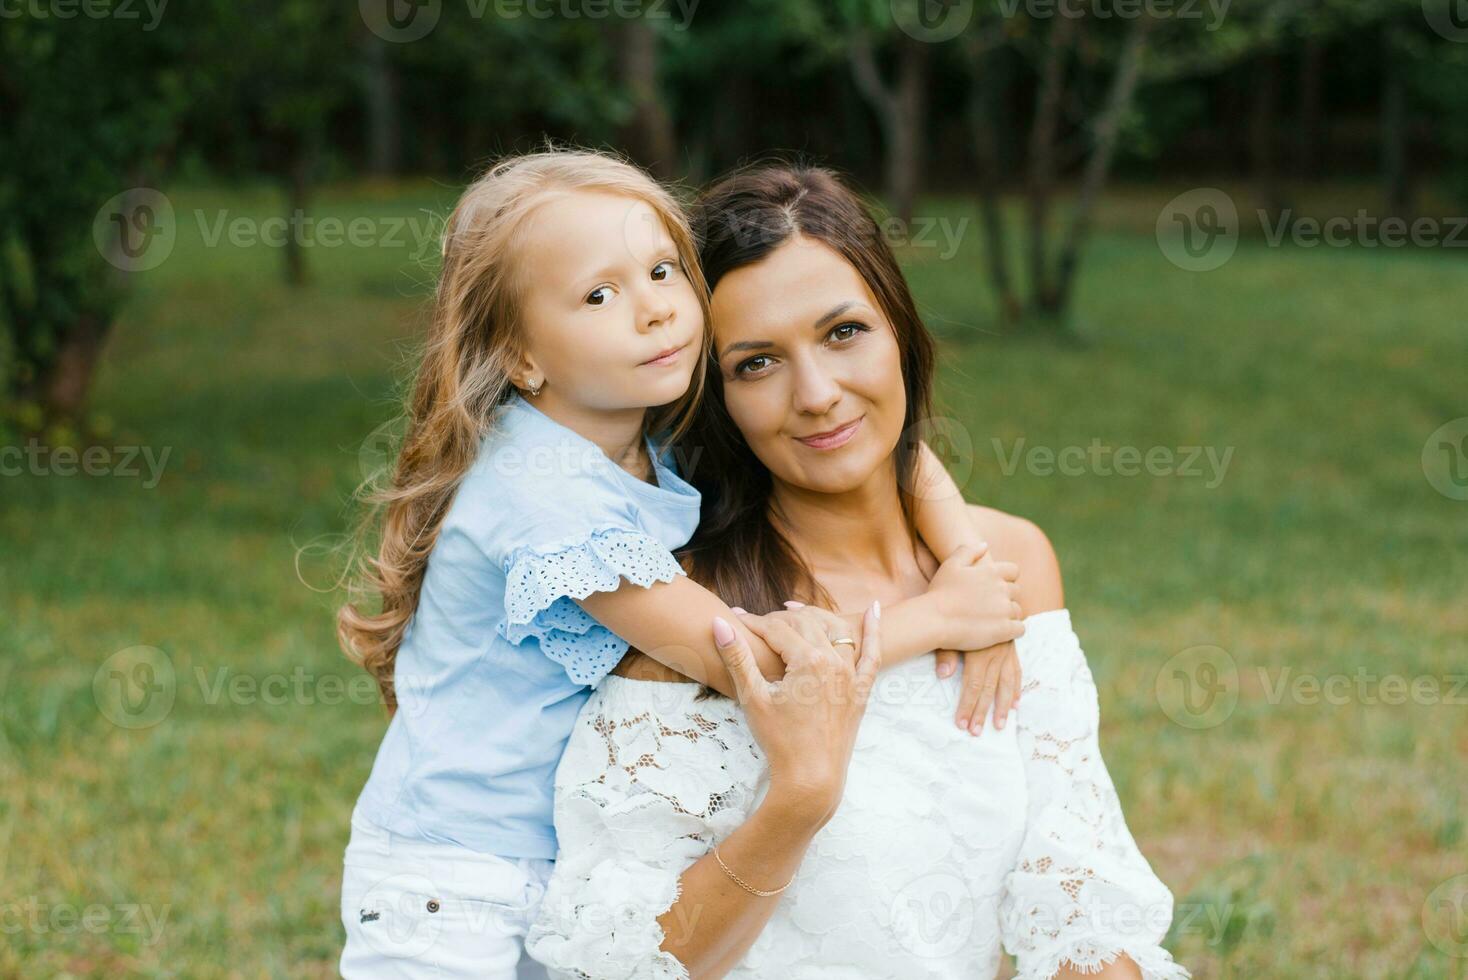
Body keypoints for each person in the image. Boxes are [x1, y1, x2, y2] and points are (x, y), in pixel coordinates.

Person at [334, 150, 1028, 978]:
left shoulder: (624, 418)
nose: (655, 312)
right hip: (450, 883)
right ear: (522, 358)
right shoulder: (546, 494)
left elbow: (897, 450)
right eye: (599, 295)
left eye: (663, 270)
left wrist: (962, 558)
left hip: (543, 858)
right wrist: (946, 616)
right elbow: (739, 657)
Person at [525, 165, 1188, 979]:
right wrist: (799, 799)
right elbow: (619, 962)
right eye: (757, 364)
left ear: (900, 332)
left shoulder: (1005, 568)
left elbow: (1079, 904)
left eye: (843, 333)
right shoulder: (692, 619)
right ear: (715, 395)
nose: (817, 394)